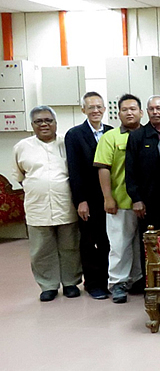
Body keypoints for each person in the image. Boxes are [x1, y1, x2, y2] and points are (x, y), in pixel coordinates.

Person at [13, 106, 82, 302]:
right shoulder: (21, 147)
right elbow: (19, 176)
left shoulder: (66, 143)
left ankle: (70, 282)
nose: (44, 124)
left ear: (55, 123)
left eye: (48, 120)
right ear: (32, 124)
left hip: (65, 205)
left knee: (70, 246)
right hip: (37, 206)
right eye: (39, 121)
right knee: (41, 249)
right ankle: (48, 286)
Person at [94, 94, 144, 304]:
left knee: (140, 246)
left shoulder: (147, 135)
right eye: (125, 109)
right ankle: (118, 284)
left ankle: (138, 280)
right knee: (119, 245)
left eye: (133, 109)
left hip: (144, 202)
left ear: (141, 112)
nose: (129, 112)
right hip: (120, 202)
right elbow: (103, 168)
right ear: (118, 113)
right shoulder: (110, 137)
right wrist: (108, 197)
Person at [65, 91, 112, 300]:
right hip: (89, 199)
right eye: (91, 107)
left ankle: (109, 280)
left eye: (99, 107)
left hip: (110, 197)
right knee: (89, 242)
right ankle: (93, 284)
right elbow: (74, 171)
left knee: (108, 241)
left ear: (104, 109)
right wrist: (80, 200)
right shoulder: (74, 135)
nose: (96, 110)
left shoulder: (112, 132)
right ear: (83, 109)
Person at [125, 95, 160, 284]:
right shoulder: (138, 136)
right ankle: (150, 281)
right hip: (147, 200)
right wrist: (136, 198)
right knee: (148, 242)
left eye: (159, 108)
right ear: (146, 112)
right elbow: (130, 171)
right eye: (151, 109)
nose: (155, 112)